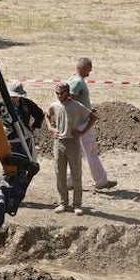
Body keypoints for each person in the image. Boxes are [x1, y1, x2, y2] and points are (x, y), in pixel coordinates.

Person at [46, 81, 96, 216]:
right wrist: (51, 128)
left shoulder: (76, 106)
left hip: (73, 143)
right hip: (59, 143)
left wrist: (82, 132)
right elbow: (47, 115)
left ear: (67, 92)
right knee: (59, 174)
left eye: (61, 93)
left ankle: (77, 204)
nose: (59, 95)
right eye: (57, 93)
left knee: (76, 174)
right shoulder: (54, 105)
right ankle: (63, 202)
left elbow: (92, 117)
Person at [66, 57, 116, 190]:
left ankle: (69, 182)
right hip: (82, 123)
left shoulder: (72, 79)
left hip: (77, 122)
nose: (90, 70)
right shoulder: (77, 82)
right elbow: (72, 103)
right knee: (91, 152)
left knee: (75, 153)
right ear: (82, 68)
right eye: (89, 68)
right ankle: (101, 181)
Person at [7, 80, 45, 157]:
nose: (13, 98)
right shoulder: (3, 105)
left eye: (15, 96)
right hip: (10, 140)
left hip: (25, 138)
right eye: (12, 96)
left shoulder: (27, 104)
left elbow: (39, 114)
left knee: (27, 161)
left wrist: (34, 126)